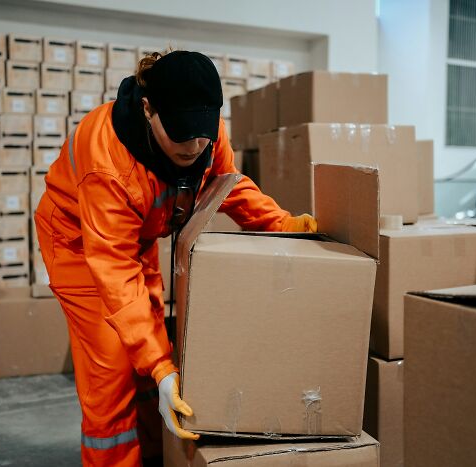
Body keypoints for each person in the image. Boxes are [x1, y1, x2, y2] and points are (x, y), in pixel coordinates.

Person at [34, 50, 317, 467]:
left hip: (138, 239)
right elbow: (112, 269)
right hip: (78, 244)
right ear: (149, 110)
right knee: (112, 366)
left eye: (202, 133)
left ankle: (153, 453)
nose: (194, 145)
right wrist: (162, 368)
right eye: (181, 134)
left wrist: (285, 225)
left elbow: (228, 187)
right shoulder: (108, 163)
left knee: (152, 349)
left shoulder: (205, 130)